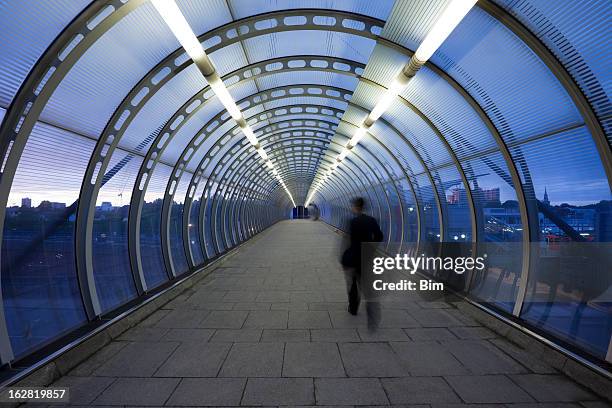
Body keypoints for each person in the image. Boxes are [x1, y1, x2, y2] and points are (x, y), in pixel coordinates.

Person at [340, 197, 383, 330]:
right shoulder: (371, 221)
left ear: (356, 207)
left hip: (353, 257)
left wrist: (343, 255)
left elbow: (348, 240)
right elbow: (379, 236)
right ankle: (373, 312)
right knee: (367, 285)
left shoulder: (353, 221)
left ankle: (353, 308)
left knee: (353, 283)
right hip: (367, 257)